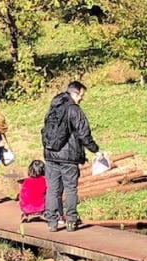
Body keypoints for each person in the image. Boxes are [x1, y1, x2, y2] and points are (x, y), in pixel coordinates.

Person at [42, 81, 100, 232]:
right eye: (81, 95)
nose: (82, 99)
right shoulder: (74, 109)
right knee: (70, 188)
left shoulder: (53, 107)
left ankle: (52, 222)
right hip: (69, 156)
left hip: (50, 155)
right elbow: (84, 133)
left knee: (52, 189)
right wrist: (95, 150)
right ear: (74, 93)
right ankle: (71, 220)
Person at [19, 159, 64, 224]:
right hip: (41, 207)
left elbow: (22, 195)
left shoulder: (26, 181)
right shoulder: (45, 180)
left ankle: (26, 214)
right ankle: (49, 214)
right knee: (50, 194)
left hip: (26, 208)